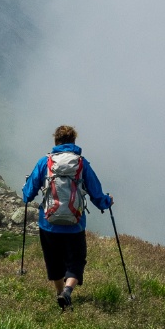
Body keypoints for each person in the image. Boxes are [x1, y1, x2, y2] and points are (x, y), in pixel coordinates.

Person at [22, 125, 113, 310]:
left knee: (53, 260)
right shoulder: (81, 163)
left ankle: (60, 295)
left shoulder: (44, 162)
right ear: (73, 141)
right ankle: (68, 292)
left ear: (56, 141)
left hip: (48, 224)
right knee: (76, 260)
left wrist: (26, 190)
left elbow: (28, 193)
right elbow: (96, 193)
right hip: (75, 224)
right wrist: (107, 202)